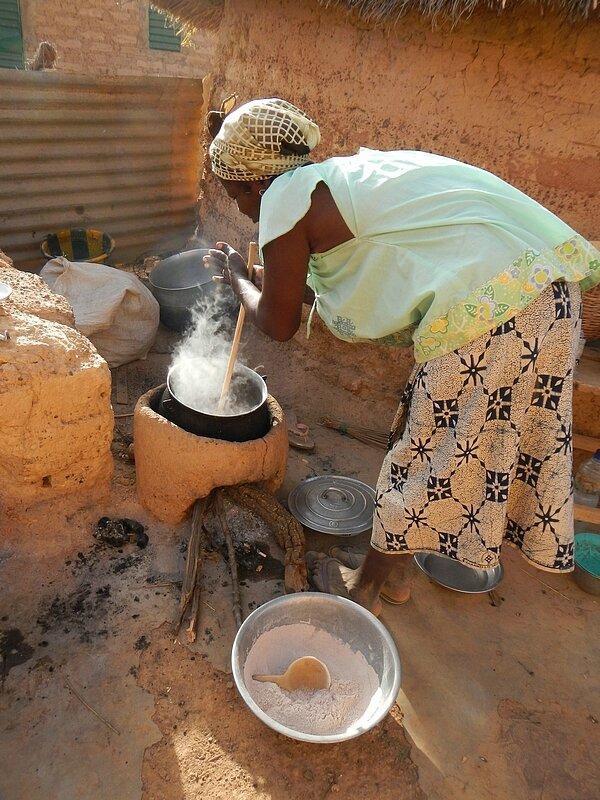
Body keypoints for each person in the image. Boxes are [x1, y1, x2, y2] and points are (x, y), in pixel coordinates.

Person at [204, 97, 600, 615]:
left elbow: (277, 325)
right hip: (542, 301)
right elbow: (311, 289)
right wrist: (262, 280)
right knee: (440, 447)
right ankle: (392, 573)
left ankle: (364, 588)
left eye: (236, 195)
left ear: (256, 181)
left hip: (501, 320)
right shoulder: (339, 180)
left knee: (426, 458)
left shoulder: (283, 198)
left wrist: (236, 276)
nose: (240, 207)